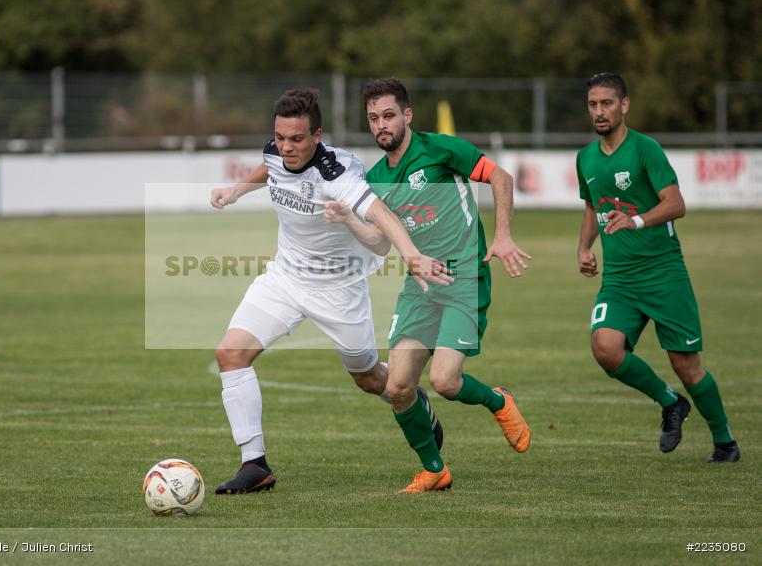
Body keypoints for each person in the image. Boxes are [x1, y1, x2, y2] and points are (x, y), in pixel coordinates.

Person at [209, 88, 452, 494]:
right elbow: (269, 167)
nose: (286, 147)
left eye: (297, 139)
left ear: (317, 136)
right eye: (280, 137)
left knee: (372, 381)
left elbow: (380, 213)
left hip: (339, 289)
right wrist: (236, 190)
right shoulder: (276, 150)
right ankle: (255, 465)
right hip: (284, 278)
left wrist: (410, 253)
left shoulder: (338, 174)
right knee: (229, 354)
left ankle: (412, 396)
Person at [327, 78, 533, 493]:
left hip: (463, 279)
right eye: (373, 119)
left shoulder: (441, 150)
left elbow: (501, 178)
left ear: (407, 115)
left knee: (444, 381)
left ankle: (498, 401)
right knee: (398, 386)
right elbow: (381, 242)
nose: (381, 125)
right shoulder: (377, 177)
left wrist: (503, 235)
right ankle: (434, 469)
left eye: (388, 115)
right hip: (419, 286)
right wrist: (349, 219)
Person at [576, 72, 739, 463]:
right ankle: (670, 403)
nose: (599, 112)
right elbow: (592, 205)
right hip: (620, 279)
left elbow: (676, 203)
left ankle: (725, 441)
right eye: (593, 105)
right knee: (605, 348)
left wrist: (635, 221)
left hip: (664, 273)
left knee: (686, 365)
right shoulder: (586, 157)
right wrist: (583, 246)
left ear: (624, 105)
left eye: (607, 103)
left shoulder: (645, 149)